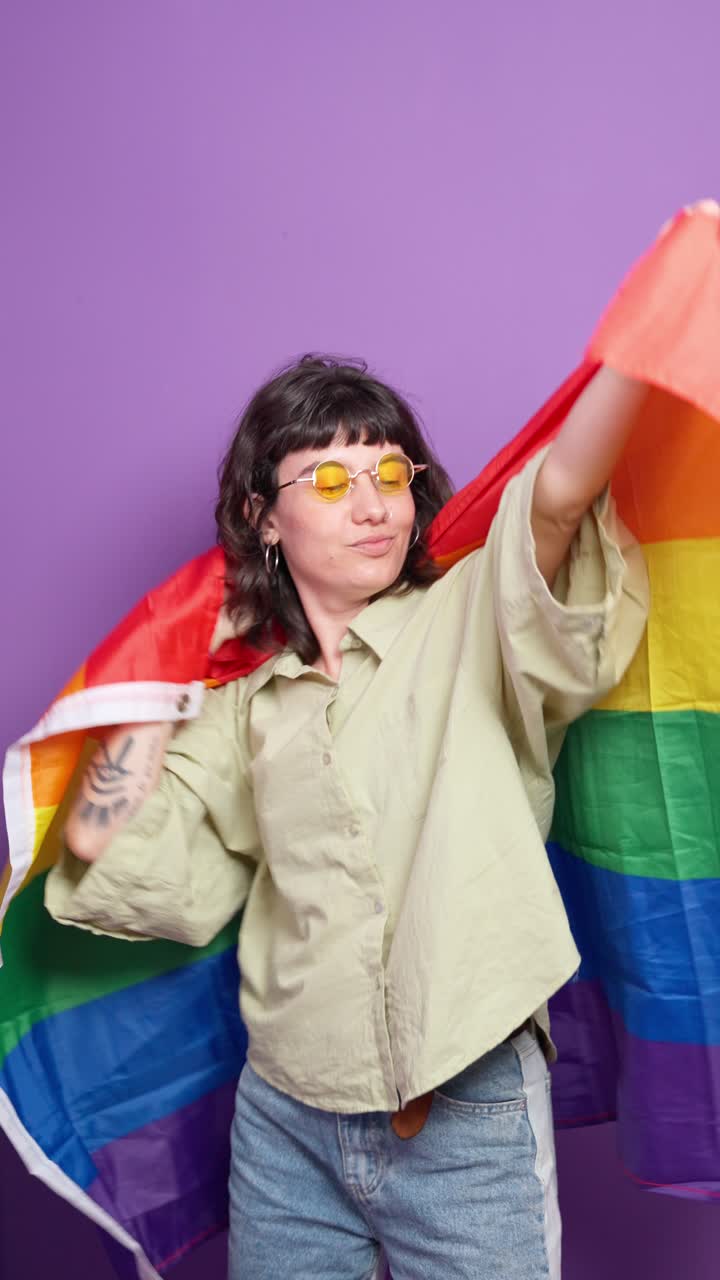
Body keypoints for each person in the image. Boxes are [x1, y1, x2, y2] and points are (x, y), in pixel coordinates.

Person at [47, 354, 649, 1279]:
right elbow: (97, 839)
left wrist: (657, 331)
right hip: (286, 1121)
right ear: (264, 516)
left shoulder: (468, 616)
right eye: (331, 480)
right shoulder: (246, 700)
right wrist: (166, 667)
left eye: (391, 473)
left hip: (465, 1109)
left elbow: (560, 498)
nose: (374, 507)